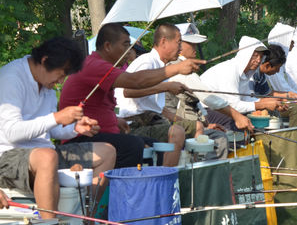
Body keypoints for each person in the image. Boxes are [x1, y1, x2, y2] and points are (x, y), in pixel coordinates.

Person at [0, 37, 116, 224]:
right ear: (45, 60)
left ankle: (85, 220)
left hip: (45, 154)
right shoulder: (10, 79)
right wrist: (56, 117)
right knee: (47, 157)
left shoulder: (45, 82)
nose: (60, 81)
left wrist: (74, 128)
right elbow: (12, 132)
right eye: (61, 74)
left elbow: (50, 131)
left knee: (107, 152)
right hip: (7, 157)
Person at [60, 23, 203, 168]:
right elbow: (134, 82)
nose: (129, 51)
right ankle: (127, 188)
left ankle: (160, 185)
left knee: (157, 148)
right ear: (108, 46)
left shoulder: (101, 66)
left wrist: (115, 120)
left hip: (105, 134)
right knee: (134, 146)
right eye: (125, 45)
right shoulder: (95, 66)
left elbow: (97, 107)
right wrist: (176, 68)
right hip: (81, 139)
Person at [115, 23, 199, 166]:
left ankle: (192, 174)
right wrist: (166, 87)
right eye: (178, 43)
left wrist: (181, 119)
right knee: (177, 132)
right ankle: (165, 180)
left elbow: (156, 107)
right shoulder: (147, 61)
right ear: (163, 42)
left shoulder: (160, 65)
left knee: (197, 126)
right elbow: (127, 91)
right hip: (132, 124)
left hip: (152, 119)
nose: (180, 48)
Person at [164, 23, 253, 158]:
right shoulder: (177, 68)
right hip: (177, 124)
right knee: (220, 140)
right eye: (191, 44)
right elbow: (208, 97)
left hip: (194, 122)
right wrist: (236, 115)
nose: (195, 48)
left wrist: (207, 123)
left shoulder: (186, 68)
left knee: (222, 135)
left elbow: (197, 101)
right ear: (179, 45)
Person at [199, 36, 284, 128]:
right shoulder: (230, 70)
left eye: (261, 57)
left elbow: (246, 99)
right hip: (204, 110)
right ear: (245, 55)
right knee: (238, 120)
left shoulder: (246, 74)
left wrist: (272, 102)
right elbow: (234, 106)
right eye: (255, 56)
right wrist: (263, 104)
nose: (258, 60)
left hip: (221, 109)